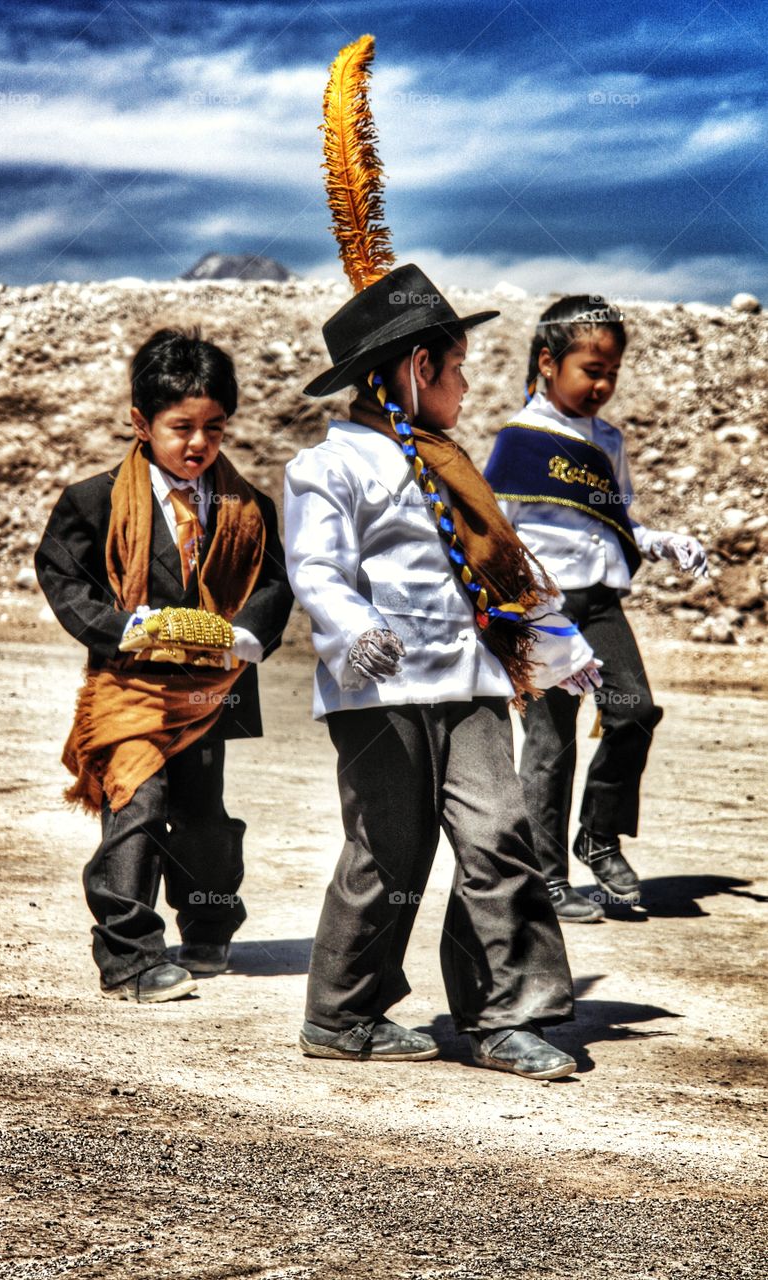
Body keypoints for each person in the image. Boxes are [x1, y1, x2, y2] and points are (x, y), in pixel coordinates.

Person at [285, 263, 603, 1079]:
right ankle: (342, 1012)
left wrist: (561, 651)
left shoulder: (452, 467)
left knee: (500, 834)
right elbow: (317, 572)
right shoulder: (330, 466)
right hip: (378, 693)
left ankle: (504, 1017)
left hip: (467, 688)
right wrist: (355, 631)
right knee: (386, 852)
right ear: (418, 370)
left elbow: (504, 573)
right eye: (456, 367)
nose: (465, 384)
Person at [35, 328, 292, 1001]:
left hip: (215, 689)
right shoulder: (92, 502)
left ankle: (207, 927)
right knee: (138, 803)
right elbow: (63, 578)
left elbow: (273, 584)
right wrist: (127, 628)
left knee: (204, 815)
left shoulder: (247, 507)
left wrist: (248, 636)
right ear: (141, 423)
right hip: (130, 687)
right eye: (182, 427)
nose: (199, 444)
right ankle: (129, 957)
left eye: (215, 427)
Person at [485, 296, 708, 923]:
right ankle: (547, 878)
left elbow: (617, 520)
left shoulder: (608, 439)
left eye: (612, 372)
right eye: (591, 369)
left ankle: (599, 834)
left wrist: (659, 540)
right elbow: (499, 534)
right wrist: (527, 616)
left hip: (602, 602)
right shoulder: (520, 441)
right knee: (551, 744)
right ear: (549, 363)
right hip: (544, 610)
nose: (603, 384)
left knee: (633, 708)